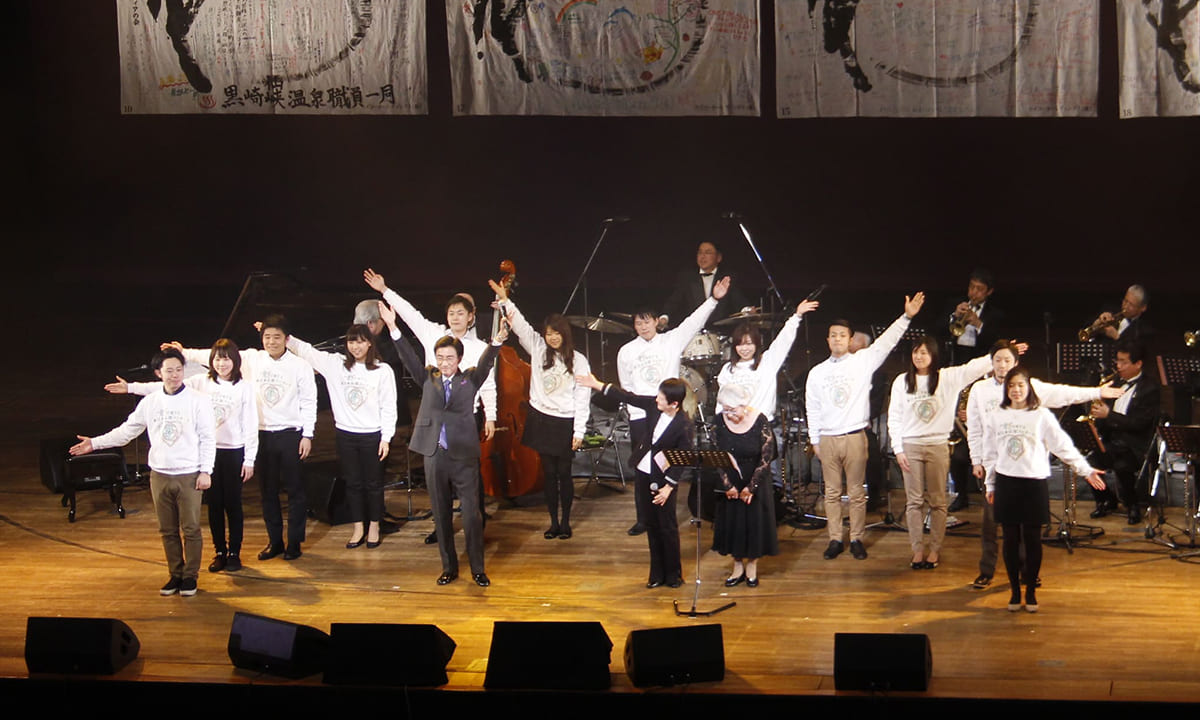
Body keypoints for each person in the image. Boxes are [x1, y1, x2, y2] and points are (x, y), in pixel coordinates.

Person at [965, 340, 1122, 589]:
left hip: (1027, 473)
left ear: (1016, 363)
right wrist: (978, 461)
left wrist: (1097, 392)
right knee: (990, 524)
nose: (1002, 365)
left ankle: (1027, 571)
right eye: (998, 360)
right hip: (994, 468)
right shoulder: (980, 390)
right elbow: (975, 429)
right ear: (991, 362)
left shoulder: (1030, 388)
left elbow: (1064, 394)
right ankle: (987, 570)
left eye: (1008, 360)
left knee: (1026, 528)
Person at [167, 314, 317, 561]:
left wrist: (308, 435)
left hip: (291, 434)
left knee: (295, 491)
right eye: (267, 337)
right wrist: (185, 352)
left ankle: (295, 543)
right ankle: (275, 541)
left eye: (276, 337)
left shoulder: (300, 366)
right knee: (267, 491)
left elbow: (309, 401)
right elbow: (216, 356)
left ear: (287, 339)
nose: (271, 342)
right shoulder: (252, 358)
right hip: (262, 435)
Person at [365, 268, 496, 545]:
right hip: (435, 420)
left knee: (470, 476)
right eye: (451, 313)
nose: (455, 317)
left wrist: (491, 416)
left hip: (465, 419)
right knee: (439, 482)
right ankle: (442, 526)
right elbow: (410, 314)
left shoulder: (479, 347)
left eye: (461, 313)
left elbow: (488, 384)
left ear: (471, 317)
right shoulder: (433, 334)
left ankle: (476, 522)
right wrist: (385, 290)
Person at [72, 348, 215, 596]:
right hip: (159, 474)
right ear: (159, 373)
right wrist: (94, 443)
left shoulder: (198, 400)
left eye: (179, 370)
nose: (174, 375)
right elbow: (127, 431)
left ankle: (190, 576)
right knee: (167, 529)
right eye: (169, 371)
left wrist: (206, 471)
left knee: (191, 528)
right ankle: (175, 574)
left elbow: (208, 438)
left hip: (189, 474)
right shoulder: (151, 402)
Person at [107, 339, 257, 573]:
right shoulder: (201, 382)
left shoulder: (244, 387)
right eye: (217, 359)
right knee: (214, 504)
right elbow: (163, 386)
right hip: (206, 453)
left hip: (234, 452)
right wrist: (131, 388)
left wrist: (249, 459)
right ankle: (219, 552)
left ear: (235, 361)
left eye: (226, 359)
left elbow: (251, 424)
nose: (222, 364)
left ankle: (234, 553)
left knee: (233, 504)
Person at [382, 300, 503, 587]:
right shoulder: (428, 378)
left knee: (472, 514)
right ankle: (448, 567)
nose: (444, 363)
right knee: (441, 512)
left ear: (459, 359)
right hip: (434, 453)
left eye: (449, 358)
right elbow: (409, 357)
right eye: (440, 357)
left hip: (463, 454)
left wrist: (496, 342)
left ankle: (477, 568)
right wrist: (392, 326)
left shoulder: (470, 379)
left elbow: (486, 364)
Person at [806, 292, 925, 561]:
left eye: (841, 335)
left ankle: (857, 537)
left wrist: (906, 317)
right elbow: (811, 407)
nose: (837, 339)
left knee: (857, 492)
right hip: (828, 438)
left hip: (854, 436)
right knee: (833, 492)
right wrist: (815, 440)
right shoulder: (817, 372)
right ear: (827, 340)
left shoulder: (862, 362)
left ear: (850, 340)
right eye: (832, 335)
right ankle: (835, 537)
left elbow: (886, 343)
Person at [980, 365, 1106, 612]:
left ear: (1029, 388)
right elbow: (990, 452)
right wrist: (990, 483)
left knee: (1032, 538)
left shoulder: (1041, 415)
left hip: (1033, 482)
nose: (1016, 390)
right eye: (1012, 386)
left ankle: (1030, 591)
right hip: (1007, 482)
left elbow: (1062, 446)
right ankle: (1015, 591)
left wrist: (1086, 470)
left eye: (1021, 385)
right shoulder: (997, 415)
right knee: (1011, 538)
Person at [618, 275, 729, 535]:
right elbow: (626, 387)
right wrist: (634, 414)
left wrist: (713, 299)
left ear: (657, 322)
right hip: (640, 416)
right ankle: (643, 518)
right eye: (638, 322)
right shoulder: (625, 351)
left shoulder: (671, 341)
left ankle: (664, 511)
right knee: (642, 468)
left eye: (647, 321)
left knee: (668, 463)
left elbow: (693, 321)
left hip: (667, 414)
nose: (643, 326)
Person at [491, 280, 591, 540]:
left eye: (556, 333)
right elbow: (520, 324)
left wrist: (579, 430)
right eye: (548, 333)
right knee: (548, 474)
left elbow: (583, 397)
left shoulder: (578, 360)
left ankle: (566, 521)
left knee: (564, 474)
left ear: (565, 334)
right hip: (542, 418)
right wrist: (505, 301)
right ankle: (553, 521)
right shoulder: (537, 348)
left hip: (565, 421)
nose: (552, 337)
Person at [283, 324, 397, 548]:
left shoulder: (382, 370)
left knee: (373, 484)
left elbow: (389, 407)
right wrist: (285, 336)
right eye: (352, 341)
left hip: (372, 436)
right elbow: (307, 351)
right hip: (346, 435)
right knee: (353, 484)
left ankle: (374, 525)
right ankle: (358, 527)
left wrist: (386, 437)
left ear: (370, 343)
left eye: (361, 341)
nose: (356, 346)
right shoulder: (336, 365)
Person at [577, 373, 694, 589]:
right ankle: (656, 574)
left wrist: (669, 487)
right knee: (650, 524)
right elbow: (628, 396)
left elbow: (682, 459)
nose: (656, 398)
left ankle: (673, 575)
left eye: (661, 396)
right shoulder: (653, 407)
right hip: (644, 472)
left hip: (663, 479)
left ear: (674, 404)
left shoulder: (683, 425)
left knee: (666, 526)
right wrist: (597, 384)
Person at [887, 336, 993, 570]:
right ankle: (917, 549)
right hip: (910, 446)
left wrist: (999, 354)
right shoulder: (902, 381)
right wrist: (898, 449)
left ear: (933, 355)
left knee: (937, 500)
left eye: (924, 352)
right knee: (914, 501)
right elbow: (894, 416)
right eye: (916, 352)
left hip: (937, 445)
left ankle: (934, 549)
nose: (919, 356)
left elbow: (973, 368)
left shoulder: (947, 377)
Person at [711, 383, 778, 587]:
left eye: (733, 409)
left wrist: (751, 487)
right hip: (730, 480)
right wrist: (727, 485)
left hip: (754, 479)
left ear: (744, 404)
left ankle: (752, 567)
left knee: (753, 524)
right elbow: (715, 455)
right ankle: (737, 565)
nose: (729, 414)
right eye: (725, 409)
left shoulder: (760, 420)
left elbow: (766, 458)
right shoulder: (718, 421)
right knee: (733, 524)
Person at [1087, 341, 1160, 525]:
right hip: (1113, 441)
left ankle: (1132, 505)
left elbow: (1139, 424)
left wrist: (1109, 414)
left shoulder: (1150, 388)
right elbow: (1106, 417)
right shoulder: (1115, 383)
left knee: (1122, 464)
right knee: (1089, 462)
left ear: (1138, 364)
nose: (1118, 366)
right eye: (1117, 361)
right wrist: (1098, 418)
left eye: (1123, 362)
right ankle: (1107, 500)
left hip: (1135, 445)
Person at [716, 299, 819, 421]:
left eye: (749, 344)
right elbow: (722, 401)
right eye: (740, 344)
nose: (745, 349)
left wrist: (797, 316)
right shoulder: (728, 369)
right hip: (734, 424)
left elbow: (783, 341)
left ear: (757, 344)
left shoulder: (767, 362)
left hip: (760, 424)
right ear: (734, 347)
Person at [660, 241, 751, 332]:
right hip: (693, 334)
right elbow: (674, 301)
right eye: (700, 252)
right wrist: (664, 317)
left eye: (708, 252)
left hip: (721, 333)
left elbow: (738, 300)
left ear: (718, 257)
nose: (702, 256)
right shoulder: (687, 277)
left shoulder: (727, 277)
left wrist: (747, 310)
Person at [940, 268, 1004, 363]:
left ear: (989, 291)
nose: (974, 292)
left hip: (978, 358)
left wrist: (979, 325)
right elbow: (937, 330)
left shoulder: (995, 314)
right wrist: (954, 316)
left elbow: (995, 343)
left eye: (979, 289)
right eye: (971, 287)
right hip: (954, 356)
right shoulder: (954, 304)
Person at [1088, 284, 1153, 346]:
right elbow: (1087, 338)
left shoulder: (1145, 331)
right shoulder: (1109, 309)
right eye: (1125, 301)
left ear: (1143, 308)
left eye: (1131, 304)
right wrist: (1096, 324)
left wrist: (1117, 337)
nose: (1126, 306)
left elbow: (1135, 352)